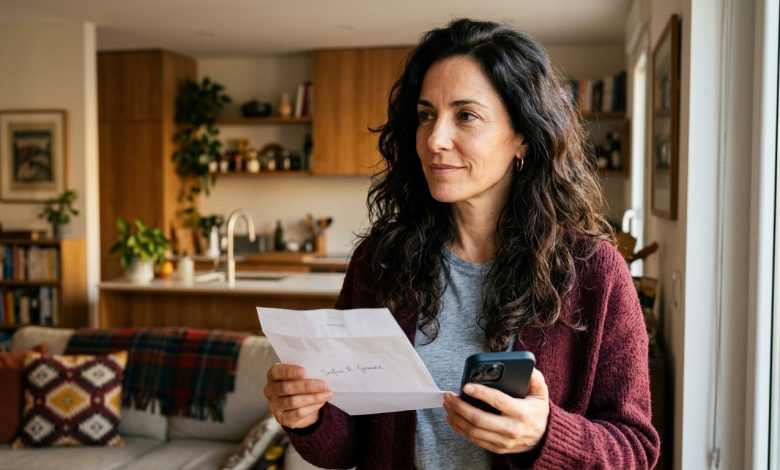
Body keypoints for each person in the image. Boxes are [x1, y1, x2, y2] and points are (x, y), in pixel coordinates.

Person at [263, 18, 660, 469]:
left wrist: (544, 435)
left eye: (466, 116)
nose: (435, 139)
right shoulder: (380, 261)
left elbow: (636, 452)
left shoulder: (595, 273)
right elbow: (346, 448)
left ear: (523, 137)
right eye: (427, 115)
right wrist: (307, 416)